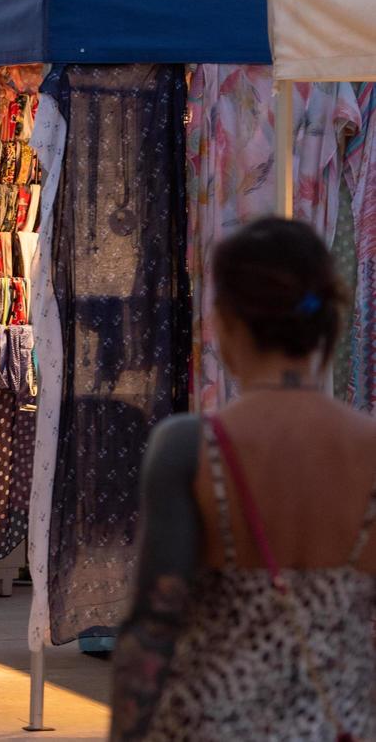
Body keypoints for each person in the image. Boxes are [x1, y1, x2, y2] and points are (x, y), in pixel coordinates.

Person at [110, 217, 375, 740]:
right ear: (327, 321)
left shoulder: (189, 448)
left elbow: (152, 628)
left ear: (227, 323)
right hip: (341, 722)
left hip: (208, 724)